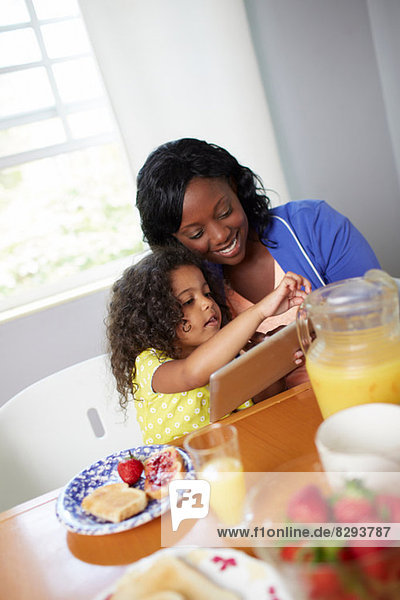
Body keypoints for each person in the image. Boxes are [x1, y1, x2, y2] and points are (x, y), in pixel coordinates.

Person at [136, 138, 381, 337]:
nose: (221, 235)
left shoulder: (313, 224)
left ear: (233, 186)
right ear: (173, 240)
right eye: (197, 233)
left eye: (225, 212)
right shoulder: (186, 290)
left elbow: (378, 312)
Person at [107, 246, 310, 444]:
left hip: (238, 454)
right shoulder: (149, 363)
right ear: (154, 318)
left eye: (207, 293)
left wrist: (270, 363)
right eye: (188, 301)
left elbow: (264, 400)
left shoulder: (228, 351)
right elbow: (192, 373)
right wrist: (259, 311)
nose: (206, 303)